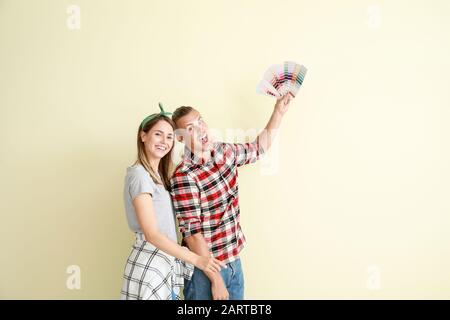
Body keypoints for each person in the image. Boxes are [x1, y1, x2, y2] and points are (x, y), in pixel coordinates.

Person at [170, 94, 293, 300]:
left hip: (234, 261)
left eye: (200, 121)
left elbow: (257, 149)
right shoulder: (184, 176)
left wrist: (278, 111)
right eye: (190, 128)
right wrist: (216, 280)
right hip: (206, 272)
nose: (200, 130)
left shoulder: (223, 152)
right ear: (180, 138)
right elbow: (192, 235)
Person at [120, 104, 225, 300]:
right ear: (143, 136)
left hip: (164, 262)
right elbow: (151, 234)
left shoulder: (158, 177)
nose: (164, 141)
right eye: (158, 134)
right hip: (150, 264)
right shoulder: (139, 176)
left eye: (169, 137)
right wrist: (198, 259)